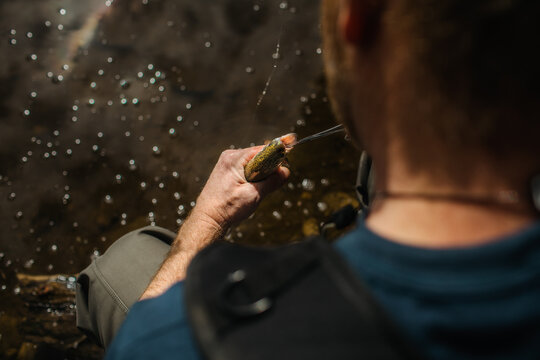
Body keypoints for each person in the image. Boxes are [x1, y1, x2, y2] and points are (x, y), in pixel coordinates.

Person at [76, 0, 540, 359]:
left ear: (357, 17)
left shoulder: (181, 336)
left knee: (123, 263)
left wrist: (207, 221)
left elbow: (138, 344)